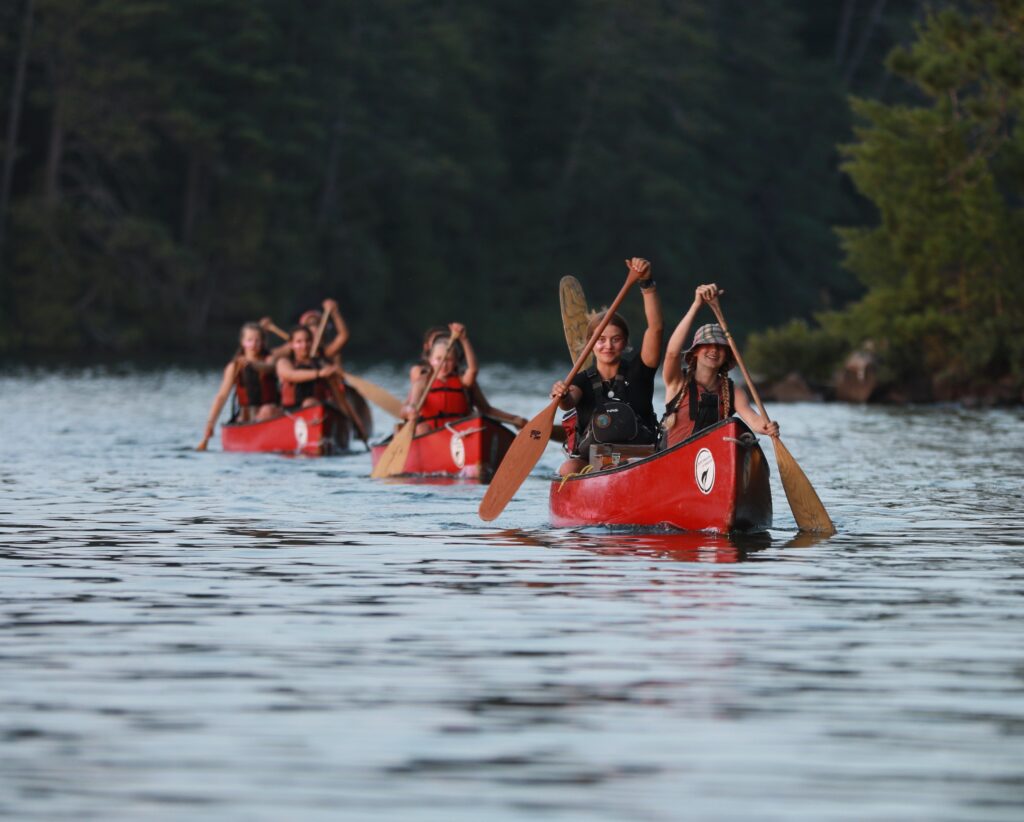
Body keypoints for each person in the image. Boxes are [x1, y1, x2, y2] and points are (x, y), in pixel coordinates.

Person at [551, 257, 663, 476]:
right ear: (590, 344)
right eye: (600, 340)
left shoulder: (640, 370)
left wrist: (647, 285)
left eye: (616, 339)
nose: (608, 346)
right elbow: (568, 402)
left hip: (643, 459)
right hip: (592, 461)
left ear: (626, 342)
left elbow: (656, 328)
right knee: (568, 469)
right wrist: (562, 395)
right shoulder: (581, 379)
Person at [661, 283, 779, 447]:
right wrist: (696, 306)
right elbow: (672, 354)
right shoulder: (677, 382)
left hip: (710, 461)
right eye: (707, 345)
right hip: (673, 460)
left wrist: (768, 427)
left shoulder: (733, 392)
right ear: (695, 351)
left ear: (727, 356)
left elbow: (754, 421)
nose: (714, 350)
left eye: (720, 347)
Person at [402, 322, 527, 435]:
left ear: (456, 361)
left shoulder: (464, 382)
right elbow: (410, 405)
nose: (444, 364)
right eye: (439, 359)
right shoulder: (422, 381)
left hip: (461, 433)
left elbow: (473, 371)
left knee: (479, 423)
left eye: (449, 359)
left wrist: (464, 339)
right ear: (430, 360)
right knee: (422, 429)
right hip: (432, 432)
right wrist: (410, 411)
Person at [198, 322, 280, 450]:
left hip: (271, 412)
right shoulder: (234, 367)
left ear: (263, 343)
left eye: (257, 340)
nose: (253, 344)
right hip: (247, 415)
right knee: (244, 417)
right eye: (249, 340)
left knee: (267, 410)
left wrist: (252, 364)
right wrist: (210, 423)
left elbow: (270, 368)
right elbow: (221, 396)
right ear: (242, 342)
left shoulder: (270, 360)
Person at [266, 298, 350, 365]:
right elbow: (269, 354)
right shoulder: (290, 348)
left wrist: (335, 312)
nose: (315, 328)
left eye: (318, 324)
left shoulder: (325, 352)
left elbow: (343, 336)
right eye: (310, 325)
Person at [276, 325, 341, 410]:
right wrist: (319, 373)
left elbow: (338, 395)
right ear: (291, 344)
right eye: (299, 342)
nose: (304, 345)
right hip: (290, 412)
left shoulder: (322, 364)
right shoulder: (283, 362)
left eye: (308, 341)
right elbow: (291, 375)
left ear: (312, 342)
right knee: (267, 410)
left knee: (310, 402)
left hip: (318, 408)